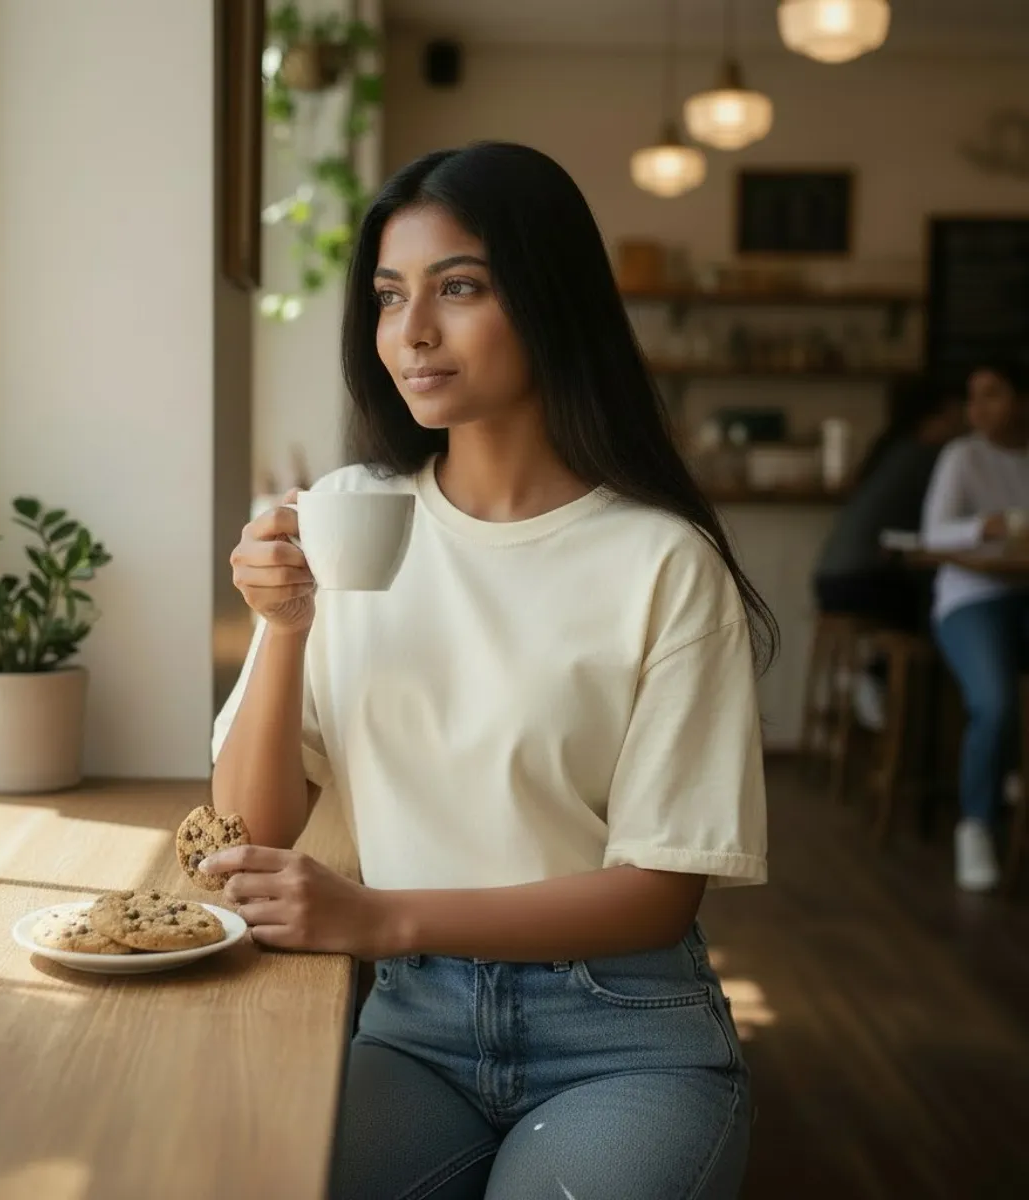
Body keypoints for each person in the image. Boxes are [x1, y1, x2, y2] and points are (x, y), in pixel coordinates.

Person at [204, 141, 775, 1199]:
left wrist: (380, 919)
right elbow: (254, 829)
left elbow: (658, 892)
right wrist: (282, 628)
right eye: (387, 297)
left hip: (621, 1034)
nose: (411, 331)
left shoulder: (660, 561)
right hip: (414, 1027)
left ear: (550, 298)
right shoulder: (352, 513)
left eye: (457, 287)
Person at [921, 361, 1029, 892]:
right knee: (996, 703)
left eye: (993, 395)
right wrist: (981, 527)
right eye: (973, 398)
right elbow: (932, 536)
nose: (979, 409)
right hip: (971, 598)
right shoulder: (963, 456)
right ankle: (977, 825)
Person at [812, 378, 965, 727]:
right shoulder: (927, 456)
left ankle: (866, 675)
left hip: (831, 579)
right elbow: (933, 532)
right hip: (861, 582)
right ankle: (880, 682)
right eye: (958, 413)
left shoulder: (892, 451)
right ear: (937, 417)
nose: (964, 423)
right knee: (934, 615)